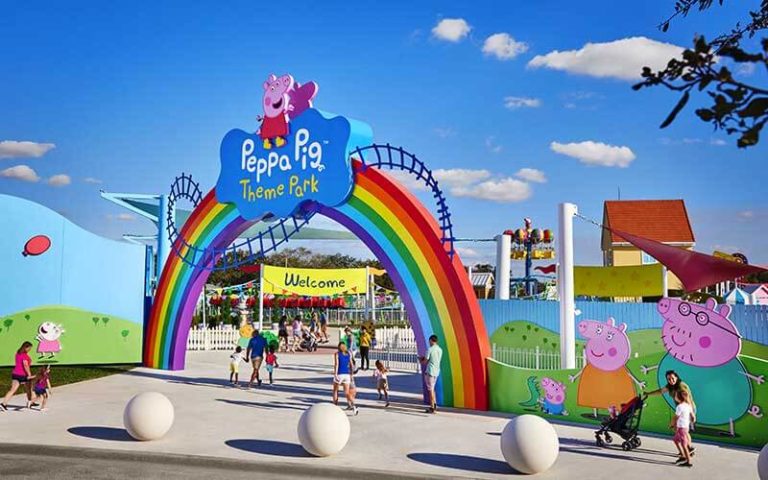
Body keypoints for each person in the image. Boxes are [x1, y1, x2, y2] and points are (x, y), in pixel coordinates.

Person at [647, 370, 697, 455]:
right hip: (682, 409)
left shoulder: (681, 386)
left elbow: (688, 401)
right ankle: (688, 448)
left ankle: (688, 448)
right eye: (669, 379)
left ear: (676, 377)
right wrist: (648, 393)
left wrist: (691, 414)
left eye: (673, 378)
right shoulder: (670, 386)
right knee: (681, 430)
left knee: (682, 430)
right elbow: (660, 391)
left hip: (687, 409)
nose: (671, 381)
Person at [1, 341, 35, 411]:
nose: (29, 350)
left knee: (12, 390)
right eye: (29, 348)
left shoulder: (18, 353)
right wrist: (29, 374)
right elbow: (25, 365)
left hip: (15, 374)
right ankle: (30, 402)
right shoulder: (24, 355)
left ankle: (3, 404)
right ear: (25, 347)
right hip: (23, 375)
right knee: (29, 389)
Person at [332, 342, 358, 415]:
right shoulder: (348, 354)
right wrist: (351, 374)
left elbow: (336, 364)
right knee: (347, 392)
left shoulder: (337, 354)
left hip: (340, 374)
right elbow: (351, 365)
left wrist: (335, 374)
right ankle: (354, 405)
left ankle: (335, 406)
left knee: (335, 391)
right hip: (347, 375)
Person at [419, 334, 442, 414]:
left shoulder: (430, 349)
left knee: (430, 390)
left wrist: (421, 360)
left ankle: (432, 407)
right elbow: (434, 360)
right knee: (433, 388)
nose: (429, 343)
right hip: (436, 371)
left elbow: (426, 361)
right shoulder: (440, 349)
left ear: (431, 341)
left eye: (429, 341)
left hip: (430, 372)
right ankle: (434, 404)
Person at [672, 389, 695, 467]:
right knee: (675, 440)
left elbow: (676, 417)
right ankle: (682, 455)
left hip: (681, 428)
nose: (674, 397)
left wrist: (673, 425)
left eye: (675, 396)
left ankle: (688, 462)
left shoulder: (679, 407)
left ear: (678, 398)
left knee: (684, 445)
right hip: (685, 427)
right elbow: (693, 416)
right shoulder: (688, 405)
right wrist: (691, 421)